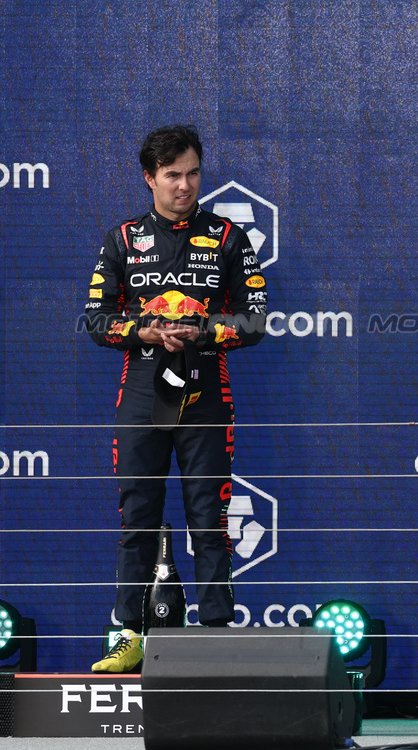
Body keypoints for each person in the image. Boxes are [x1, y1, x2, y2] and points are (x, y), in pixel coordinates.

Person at [84, 125, 268, 671]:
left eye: (192, 173)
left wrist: (204, 331)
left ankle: (213, 634)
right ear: (150, 178)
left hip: (205, 391)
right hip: (143, 393)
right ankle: (129, 635)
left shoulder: (229, 237)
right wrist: (143, 331)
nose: (184, 185)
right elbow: (96, 321)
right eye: (172, 176)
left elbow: (255, 321)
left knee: (209, 517)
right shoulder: (122, 239)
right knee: (138, 517)